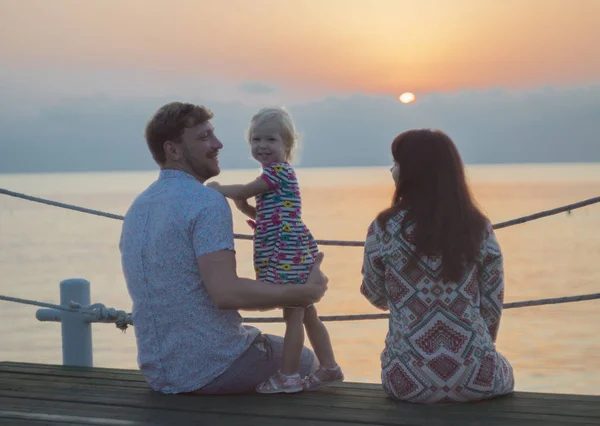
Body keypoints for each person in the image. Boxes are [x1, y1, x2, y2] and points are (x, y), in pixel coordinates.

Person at [119, 102, 329, 395]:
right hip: (215, 366)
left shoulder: (139, 206)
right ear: (174, 150)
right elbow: (226, 293)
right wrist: (305, 292)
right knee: (311, 364)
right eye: (204, 137)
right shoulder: (207, 201)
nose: (218, 144)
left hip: (162, 373)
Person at [360, 129, 514, 403]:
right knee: (505, 368)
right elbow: (492, 301)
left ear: (411, 172)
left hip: (407, 381)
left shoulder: (383, 227)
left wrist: (405, 303)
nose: (391, 169)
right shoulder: (477, 226)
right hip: (478, 377)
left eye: (396, 163)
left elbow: (374, 294)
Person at [207, 106, 343, 393]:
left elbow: (245, 188)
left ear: (287, 145)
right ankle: (329, 367)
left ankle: (289, 375)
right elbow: (271, 214)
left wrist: (217, 189)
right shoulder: (272, 177)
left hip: (288, 253)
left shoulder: (279, 172)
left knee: (293, 314)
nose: (262, 146)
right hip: (288, 250)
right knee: (306, 313)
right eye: (256, 140)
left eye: (270, 139)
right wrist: (245, 207)